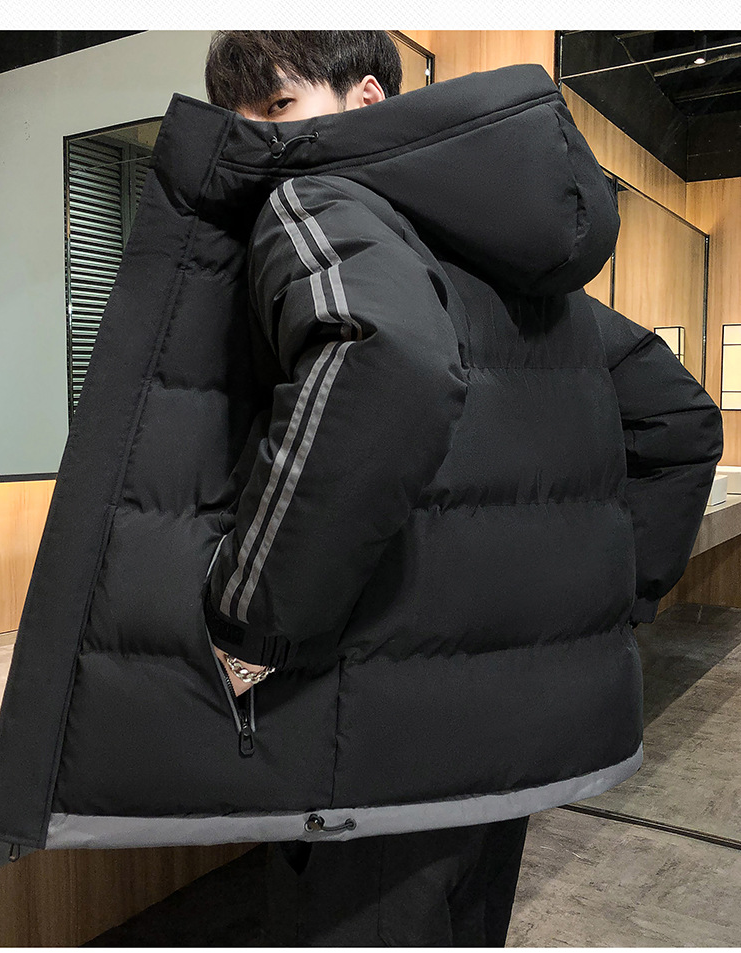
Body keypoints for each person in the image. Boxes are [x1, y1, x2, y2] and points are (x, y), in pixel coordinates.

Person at [200, 30, 723, 947]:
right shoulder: (506, 264)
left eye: (278, 105)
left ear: (367, 100)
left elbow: (383, 365)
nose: (256, 136)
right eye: (234, 115)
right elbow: (678, 419)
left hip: (382, 730)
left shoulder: (313, 201)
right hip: (511, 737)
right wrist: (604, 601)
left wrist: (249, 617)